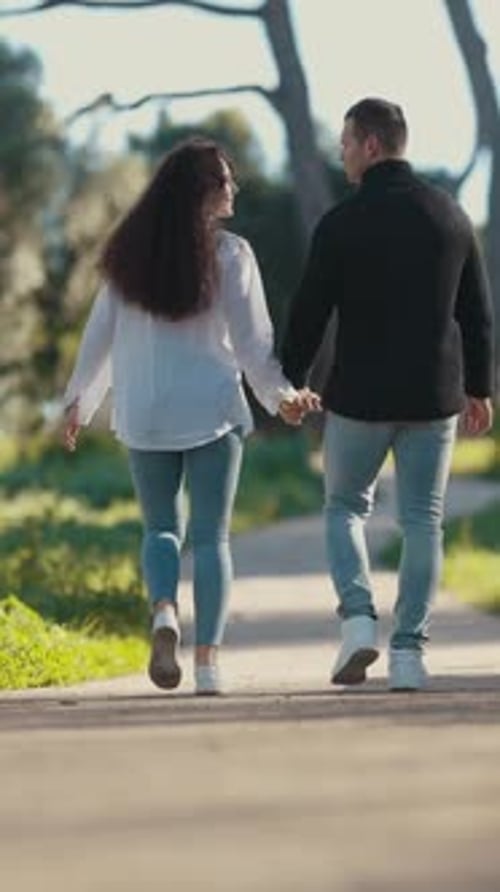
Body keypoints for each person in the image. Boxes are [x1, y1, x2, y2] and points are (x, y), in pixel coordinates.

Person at [62, 137, 318, 696]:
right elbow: (254, 346)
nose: (234, 188)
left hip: (145, 410)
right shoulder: (231, 255)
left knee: (159, 528)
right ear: (202, 192)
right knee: (211, 539)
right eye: (225, 180)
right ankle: (206, 666)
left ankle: (163, 614)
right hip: (212, 410)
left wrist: (79, 401)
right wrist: (283, 396)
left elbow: (99, 338)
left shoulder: (127, 255)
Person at [281, 98, 495, 691]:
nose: (342, 152)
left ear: (371, 145)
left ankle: (356, 620)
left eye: (347, 142)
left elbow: (308, 313)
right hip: (434, 397)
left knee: (345, 508)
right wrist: (480, 386)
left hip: (360, 398)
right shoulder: (449, 215)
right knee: (424, 522)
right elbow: (477, 313)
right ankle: (408, 654)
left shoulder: (342, 222)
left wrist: (287, 383)